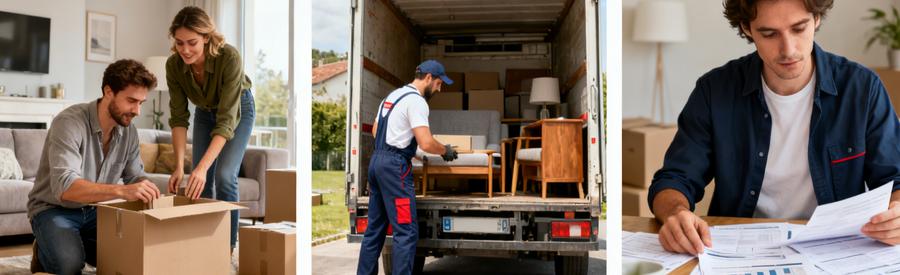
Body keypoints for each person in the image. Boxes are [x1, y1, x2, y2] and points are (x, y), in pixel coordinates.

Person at [649, 0, 900, 255]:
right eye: (769, 34)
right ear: (747, 28)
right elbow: (674, 179)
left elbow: (895, 179)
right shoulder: (714, 92)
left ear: (816, 19)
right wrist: (676, 214)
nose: (788, 49)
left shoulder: (862, 89)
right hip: (736, 252)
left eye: (799, 29)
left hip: (836, 252)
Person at [27, 59, 161, 274]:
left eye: (141, 103)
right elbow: (65, 187)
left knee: (131, 256)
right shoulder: (69, 122)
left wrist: (149, 189)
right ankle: (45, 250)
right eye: (131, 101)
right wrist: (122, 191)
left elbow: (134, 176)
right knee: (69, 265)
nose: (137, 110)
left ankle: (70, 244)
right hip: (54, 210)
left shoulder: (129, 132)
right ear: (108, 91)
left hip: (97, 211)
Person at [356, 60, 459, 275]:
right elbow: (426, 142)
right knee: (405, 231)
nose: (439, 89)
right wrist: (445, 150)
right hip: (395, 172)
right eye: (439, 83)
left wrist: (402, 148)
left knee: (374, 230)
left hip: (376, 164)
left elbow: (376, 130)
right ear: (429, 78)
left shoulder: (391, 96)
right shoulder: (417, 102)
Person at [165, 6, 255, 250]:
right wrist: (178, 167)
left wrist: (203, 167)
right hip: (204, 113)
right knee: (198, 182)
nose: (185, 50)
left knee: (224, 176)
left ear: (206, 37)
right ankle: (203, 244)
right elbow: (179, 117)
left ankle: (228, 247)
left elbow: (227, 120)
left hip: (238, 110)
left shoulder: (229, 58)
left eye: (192, 42)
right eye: (180, 42)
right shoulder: (174, 66)